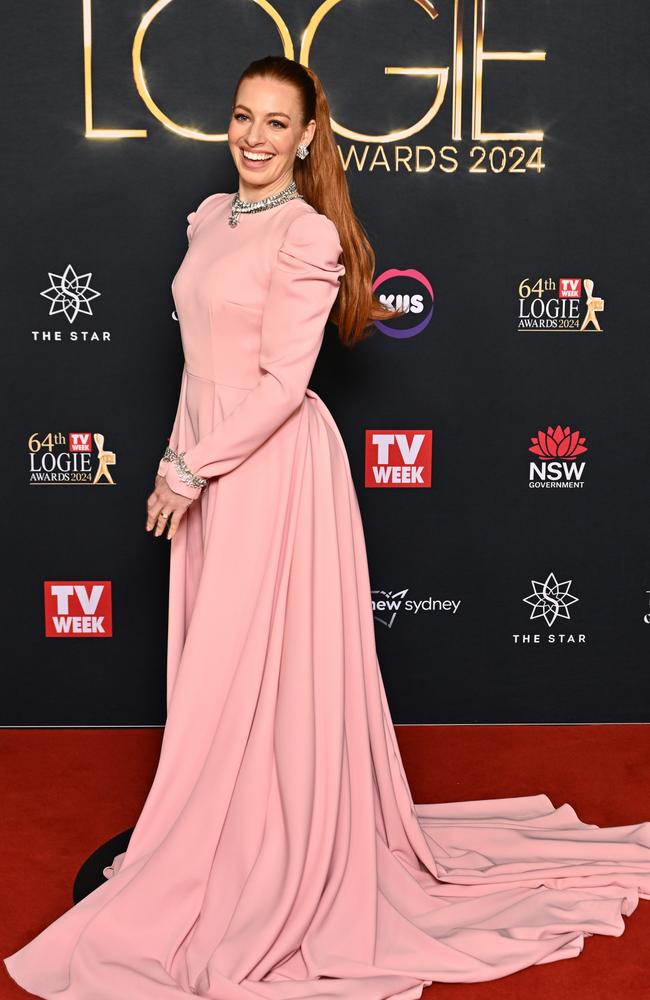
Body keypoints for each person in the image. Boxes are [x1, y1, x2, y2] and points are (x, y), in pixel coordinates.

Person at [4, 54, 650, 1000]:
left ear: (309, 137)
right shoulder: (209, 217)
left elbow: (281, 385)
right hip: (206, 448)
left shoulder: (306, 237)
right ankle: (212, 834)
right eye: (242, 117)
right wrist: (186, 453)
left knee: (253, 665)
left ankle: (266, 854)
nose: (255, 138)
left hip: (264, 470)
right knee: (218, 667)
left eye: (277, 123)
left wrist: (187, 467)